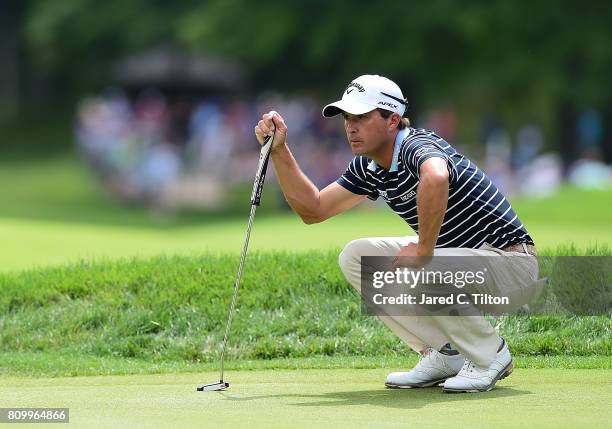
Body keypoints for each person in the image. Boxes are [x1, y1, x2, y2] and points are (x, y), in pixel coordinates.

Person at [254, 75, 538, 393]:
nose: (351, 126)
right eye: (347, 117)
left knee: (424, 264)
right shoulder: (369, 167)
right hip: (462, 263)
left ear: (392, 121)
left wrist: (424, 249)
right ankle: (446, 353)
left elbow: (436, 176)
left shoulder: (416, 145)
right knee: (357, 257)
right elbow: (314, 209)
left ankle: (489, 355)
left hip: (512, 262)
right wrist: (280, 152)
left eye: (361, 116)